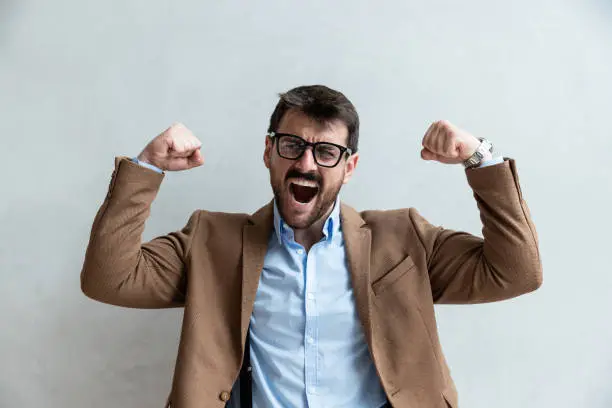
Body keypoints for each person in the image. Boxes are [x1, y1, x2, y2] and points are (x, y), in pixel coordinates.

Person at [80, 85, 542, 408]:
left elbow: (516, 272)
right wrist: (147, 167)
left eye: (326, 152)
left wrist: (481, 158)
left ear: (350, 166)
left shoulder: (404, 238)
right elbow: (109, 279)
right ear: (268, 152)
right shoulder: (210, 241)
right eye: (291, 145)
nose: (306, 163)